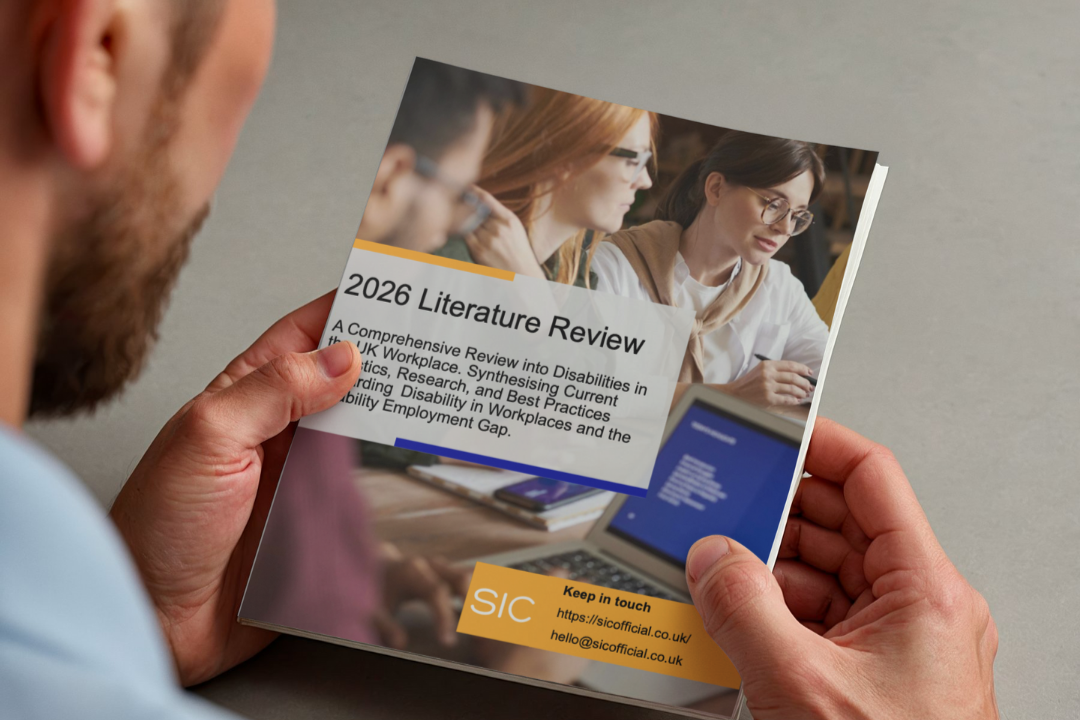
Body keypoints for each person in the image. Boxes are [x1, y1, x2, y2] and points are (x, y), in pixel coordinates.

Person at [0, 3, 998, 719]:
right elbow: (596, 404)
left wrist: (143, 611)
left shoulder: (646, 270)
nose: (778, 226)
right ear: (95, 52)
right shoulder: (583, 260)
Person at [593, 131, 831, 408]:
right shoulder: (611, 266)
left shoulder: (780, 286)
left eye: (797, 215)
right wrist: (730, 395)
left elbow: (830, 380)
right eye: (774, 204)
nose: (784, 227)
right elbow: (584, 386)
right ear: (716, 188)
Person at [437, 86, 658, 286]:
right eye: (633, 160)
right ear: (566, 155)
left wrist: (531, 286)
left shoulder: (576, 275)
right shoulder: (447, 263)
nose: (645, 181)